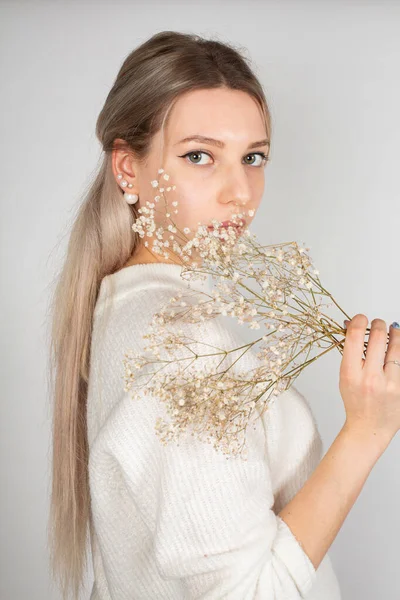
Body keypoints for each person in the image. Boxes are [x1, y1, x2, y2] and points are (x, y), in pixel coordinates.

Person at [47, 31, 400, 600]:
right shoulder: (182, 345)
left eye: (253, 157)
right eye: (199, 156)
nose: (241, 192)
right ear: (127, 169)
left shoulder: (131, 311)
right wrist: (368, 429)